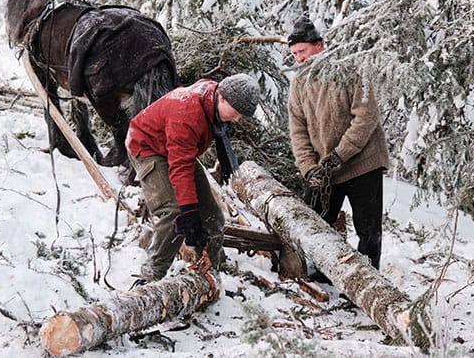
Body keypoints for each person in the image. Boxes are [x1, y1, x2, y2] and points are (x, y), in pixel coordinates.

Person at [126, 73, 261, 282]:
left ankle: (208, 275)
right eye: (235, 113)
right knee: (175, 212)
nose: (237, 119)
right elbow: (180, 167)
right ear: (222, 98)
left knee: (213, 218)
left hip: (177, 149)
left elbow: (183, 157)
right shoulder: (188, 113)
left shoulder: (215, 98)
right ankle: (151, 277)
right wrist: (189, 212)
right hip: (148, 146)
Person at [286, 16, 389, 271]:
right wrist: (309, 168)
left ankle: (369, 283)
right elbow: (298, 130)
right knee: (314, 223)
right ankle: (320, 273)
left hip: (363, 162)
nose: (299, 58)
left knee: (368, 231)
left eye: (303, 51)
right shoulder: (299, 84)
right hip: (325, 169)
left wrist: (340, 155)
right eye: (294, 54)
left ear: (319, 45)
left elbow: (365, 117)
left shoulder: (350, 68)